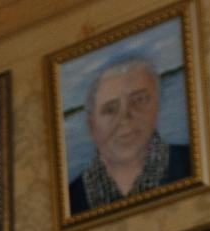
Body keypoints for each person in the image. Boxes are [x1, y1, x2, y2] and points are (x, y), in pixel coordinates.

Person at [67, 53, 193, 215]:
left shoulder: (192, 163)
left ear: (157, 105)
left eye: (139, 100)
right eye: (110, 109)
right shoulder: (70, 201)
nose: (125, 118)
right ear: (92, 126)